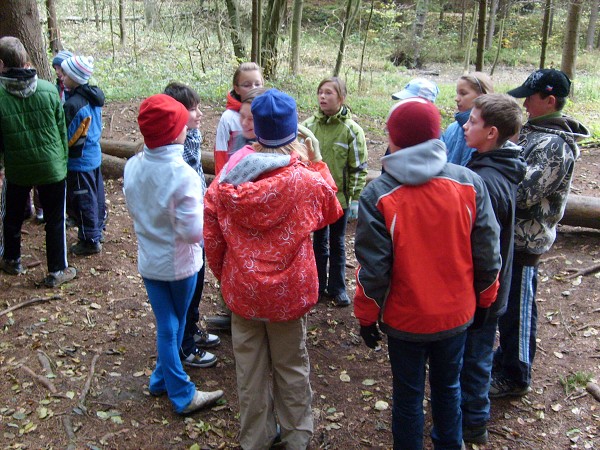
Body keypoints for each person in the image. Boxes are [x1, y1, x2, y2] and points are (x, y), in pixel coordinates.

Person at [354, 98, 501, 450]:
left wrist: (365, 317)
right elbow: (488, 254)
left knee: (407, 395)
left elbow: (373, 271)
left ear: (394, 140)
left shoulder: (379, 193)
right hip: (456, 314)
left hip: (406, 321)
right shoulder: (468, 183)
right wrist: (485, 301)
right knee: (449, 388)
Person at [204, 89, 343, 449]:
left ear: (257, 129)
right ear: (294, 129)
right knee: (291, 366)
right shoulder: (306, 180)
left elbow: (212, 235)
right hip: (290, 295)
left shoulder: (227, 180)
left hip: (244, 292)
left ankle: (256, 439)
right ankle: (297, 437)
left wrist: (228, 277)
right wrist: (317, 162)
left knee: (248, 372)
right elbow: (331, 209)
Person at [491, 69, 590, 398]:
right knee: (505, 308)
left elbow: (523, 193)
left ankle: (517, 375)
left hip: (526, 242)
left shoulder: (554, 145)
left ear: (550, 101)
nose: (524, 103)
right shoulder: (533, 132)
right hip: (510, 238)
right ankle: (504, 359)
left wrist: (495, 175)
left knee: (519, 311)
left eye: (530, 98)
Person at [123, 93, 224, 415]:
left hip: (149, 261)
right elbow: (193, 233)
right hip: (181, 265)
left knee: (171, 323)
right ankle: (182, 393)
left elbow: (134, 207)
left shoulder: (133, 165)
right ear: (174, 132)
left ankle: (159, 380)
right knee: (171, 326)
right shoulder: (182, 174)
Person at [460, 94, 527, 444]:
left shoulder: (482, 180)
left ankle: (472, 423)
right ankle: (473, 418)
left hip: (482, 288)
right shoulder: (500, 167)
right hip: (492, 286)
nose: (465, 125)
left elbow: (477, 246)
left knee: (473, 358)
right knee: (479, 354)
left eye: (472, 121)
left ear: (492, 133)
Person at [0, 36, 76, 287]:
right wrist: (61, 163)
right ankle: (57, 270)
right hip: (51, 166)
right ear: (25, 60)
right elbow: (60, 129)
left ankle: (11, 259)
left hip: (18, 168)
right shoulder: (48, 89)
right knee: (55, 220)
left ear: (2, 64)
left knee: (11, 216)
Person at [163, 81, 220, 368]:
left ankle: (191, 329)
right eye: (192, 109)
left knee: (198, 282)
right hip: (186, 230)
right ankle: (184, 346)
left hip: (198, 218)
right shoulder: (172, 149)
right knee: (188, 285)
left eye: (198, 108)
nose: (199, 114)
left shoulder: (193, 135)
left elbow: (197, 173)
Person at [302, 76, 368, 307]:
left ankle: (338, 287)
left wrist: (355, 198)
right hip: (316, 199)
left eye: (329, 93)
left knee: (338, 242)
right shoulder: (309, 126)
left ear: (341, 98)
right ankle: (318, 285)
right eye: (320, 92)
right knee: (318, 242)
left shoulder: (351, 130)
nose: (323, 96)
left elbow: (358, 167)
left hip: (340, 199)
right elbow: (299, 161)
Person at [61, 55, 106, 256]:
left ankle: (89, 240)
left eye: (65, 74)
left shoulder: (74, 104)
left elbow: (67, 135)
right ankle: (97, 228)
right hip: (93, 155)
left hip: (80, 160)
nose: (61, 77)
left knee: (83, 199)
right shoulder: (92, 95)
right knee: (95, 195)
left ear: (75, 77)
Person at [213, 62, 264, 175]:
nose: (253, 88)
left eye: (257, 84)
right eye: (247, 85)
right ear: (236, 89)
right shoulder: (228, 118)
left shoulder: (268, 113)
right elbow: (221, 153)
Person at [441, 72, 494, 166]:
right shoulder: (451, 129)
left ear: (482, 97)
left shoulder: (488, 132)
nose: (456, 98)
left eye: (463, 93)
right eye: (457, 93)